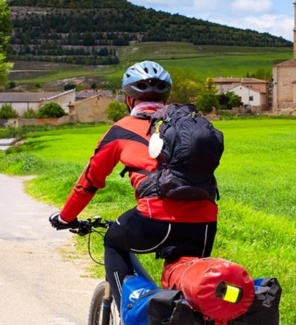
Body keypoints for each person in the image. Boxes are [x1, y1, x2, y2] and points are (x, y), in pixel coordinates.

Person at [49, 60, 218, 307]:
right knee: (193, 295)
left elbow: (88, 183)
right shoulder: (188, 126)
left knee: (114, 241)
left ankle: (125, 321)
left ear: (129, 99)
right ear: (165, 97)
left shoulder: (120, 130)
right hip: (204, 222)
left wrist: (65, 218)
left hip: (153, 221)